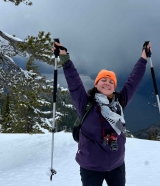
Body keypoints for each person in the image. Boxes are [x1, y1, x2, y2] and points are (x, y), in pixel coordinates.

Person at [52, 41, 151, 186]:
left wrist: (143, 58)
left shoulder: (119, 102)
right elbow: (74, 82)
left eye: (111, 81)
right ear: (96, 84)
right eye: (103, 80)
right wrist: (64, 58)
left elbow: (133, 82)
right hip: (91, 166)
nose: (107, 83)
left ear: (114, 87)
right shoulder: (85, 103)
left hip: (117, 165)